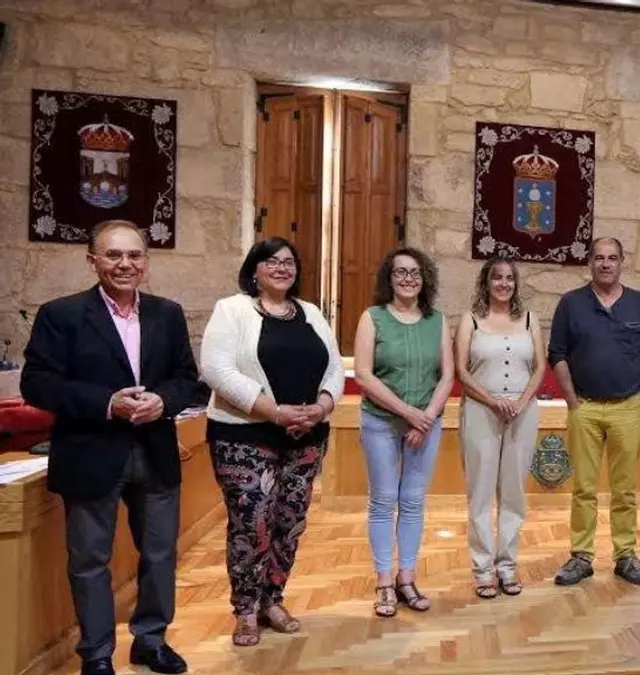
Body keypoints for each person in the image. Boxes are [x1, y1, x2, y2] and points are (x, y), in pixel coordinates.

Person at [21, 220, 200, 675]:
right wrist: (107, 403)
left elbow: (187, 379)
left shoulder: (168, 313)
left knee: (160, 555)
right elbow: (37, 384)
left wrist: (164, 401)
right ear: (93, 260)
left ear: (146, 261)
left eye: (134, 255)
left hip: (155, 451)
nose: (125, 264)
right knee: (89, 561)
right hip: (90, 453)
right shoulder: (61, 314)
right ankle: (97, 654)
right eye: (113, 255)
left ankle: (151, 641)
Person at [199, 237, 344, 646]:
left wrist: (320, 407)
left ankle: (272, 599)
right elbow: (217, 370)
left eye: (288, 262)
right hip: (245, 436)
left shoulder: (311, 313)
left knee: (289, 522)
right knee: (252, 523)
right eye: (271, 261)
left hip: (306, 435)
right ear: (254, 269)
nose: (282, 268)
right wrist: (275, 412)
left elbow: (334, 367)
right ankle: (246, 608)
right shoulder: (232, 309)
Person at [548, 237, 640, 587]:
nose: (606, 264)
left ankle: (625, 555)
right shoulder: (571, 303)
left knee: (625, 489)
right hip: (584, 408)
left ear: (622, 262)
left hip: (628, 407)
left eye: (612, 258)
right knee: (583, 488)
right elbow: (557, 353)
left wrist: (633, 368)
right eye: (599, 258)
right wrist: (571, 400)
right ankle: (581, 556)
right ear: (590, 263)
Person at [353, 247, 454, 616]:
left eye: (415, 272)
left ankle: (406, 578)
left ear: (424, 279)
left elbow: (447, 376)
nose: (408, 279)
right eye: (400, 272)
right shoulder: (372, 318)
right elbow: (363, 375)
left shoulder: (437, 321)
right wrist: (409, 413)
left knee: (412, 501)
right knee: (383, 500)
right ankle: (383, 581)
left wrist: (425, 418)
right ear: (390, 277)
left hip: (426, 424)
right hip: (381, 422)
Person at [454, 256, 546, 599]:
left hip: (522, 412)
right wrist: (492, 401)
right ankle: (482, 569)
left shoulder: (529, 319)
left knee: (514, 492)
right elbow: (462, 371)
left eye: (509, 278)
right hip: (481, 411)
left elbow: (540, 367)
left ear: (516, 283)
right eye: (497, 277)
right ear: (486, 282)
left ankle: (507, 566)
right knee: (480, 492)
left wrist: (521, 401)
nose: (504, 284)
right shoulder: (470, 320)